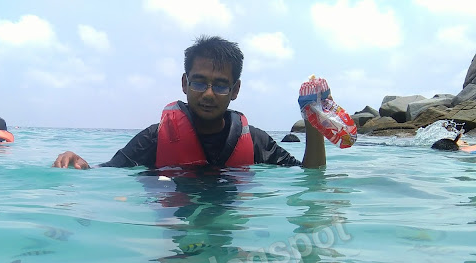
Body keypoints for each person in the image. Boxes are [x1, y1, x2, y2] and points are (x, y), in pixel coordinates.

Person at [53, 35, 326, 170]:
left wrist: (314, 124)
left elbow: (309, 177)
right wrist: (78, 163)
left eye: (220, 85)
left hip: (228, 231)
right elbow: (105, 174)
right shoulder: (155, 138)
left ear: (235, 90)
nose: (208, 94)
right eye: (199, 82)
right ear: (184, 84)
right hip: (174, 230)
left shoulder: (254, 141)